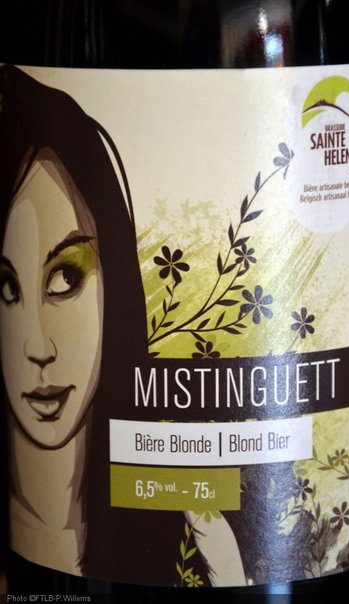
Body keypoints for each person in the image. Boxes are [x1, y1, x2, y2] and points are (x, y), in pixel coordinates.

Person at [0, 65, 245, 587]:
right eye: (7, 287)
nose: (37, 346)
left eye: (66, 278)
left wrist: (231, 578)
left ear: (114, 284)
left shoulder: (177, 539)